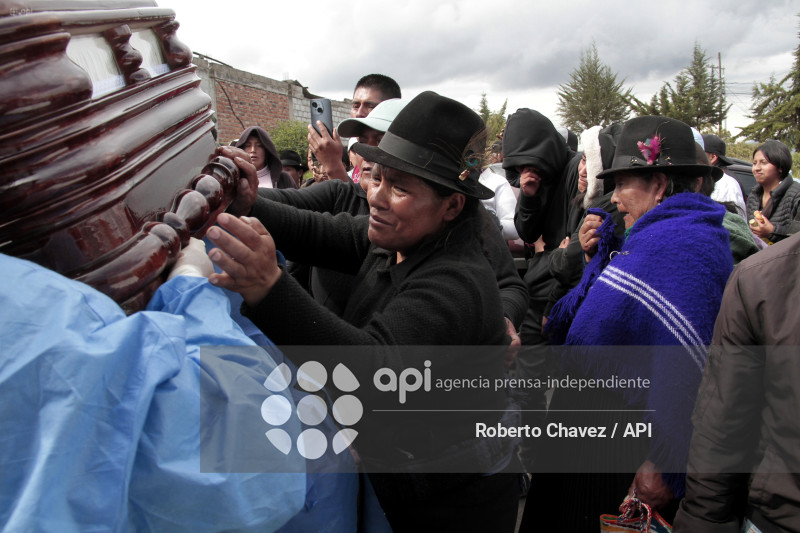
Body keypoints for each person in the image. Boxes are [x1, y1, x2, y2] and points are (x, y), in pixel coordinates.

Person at [208, 91, 523, 532]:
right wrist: (247, 203)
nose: (376, 197)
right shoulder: (397, 240)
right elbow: (316, 231)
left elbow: (373, 373)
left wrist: (269, 288)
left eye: (400, 188)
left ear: (452, 205)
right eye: (376, 178)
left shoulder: (456, 281)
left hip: (451, 502)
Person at [520, 116, 734, 531]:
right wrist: (591, 261)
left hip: (622, 447)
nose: (615, 199)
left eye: (622, 184)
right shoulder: (653, 236)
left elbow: (688, 371)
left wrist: (662, 462)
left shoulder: (684, 245)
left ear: (659, 184)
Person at [674, 232, 800, 533]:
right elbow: (724, 419)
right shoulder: (766, 276)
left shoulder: (764, 274)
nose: (620, 207)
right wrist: (703, 520)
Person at [307, 74, 401, 183]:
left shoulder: (406, 176)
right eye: (362, 143)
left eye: (370, 106)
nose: (359, 113)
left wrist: (333, 165)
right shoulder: (354, 176)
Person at [746, 139, 800, 245]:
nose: (756, 168)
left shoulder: (796, 195)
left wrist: (772, 231)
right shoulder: (754, 195)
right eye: (754, 163)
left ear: (780, 167)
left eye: (763, 163)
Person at [702, 133, 747, 220]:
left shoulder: (726, 183)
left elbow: (730, 220)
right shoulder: (710, 178)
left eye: (701, 153)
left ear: (713, 157)